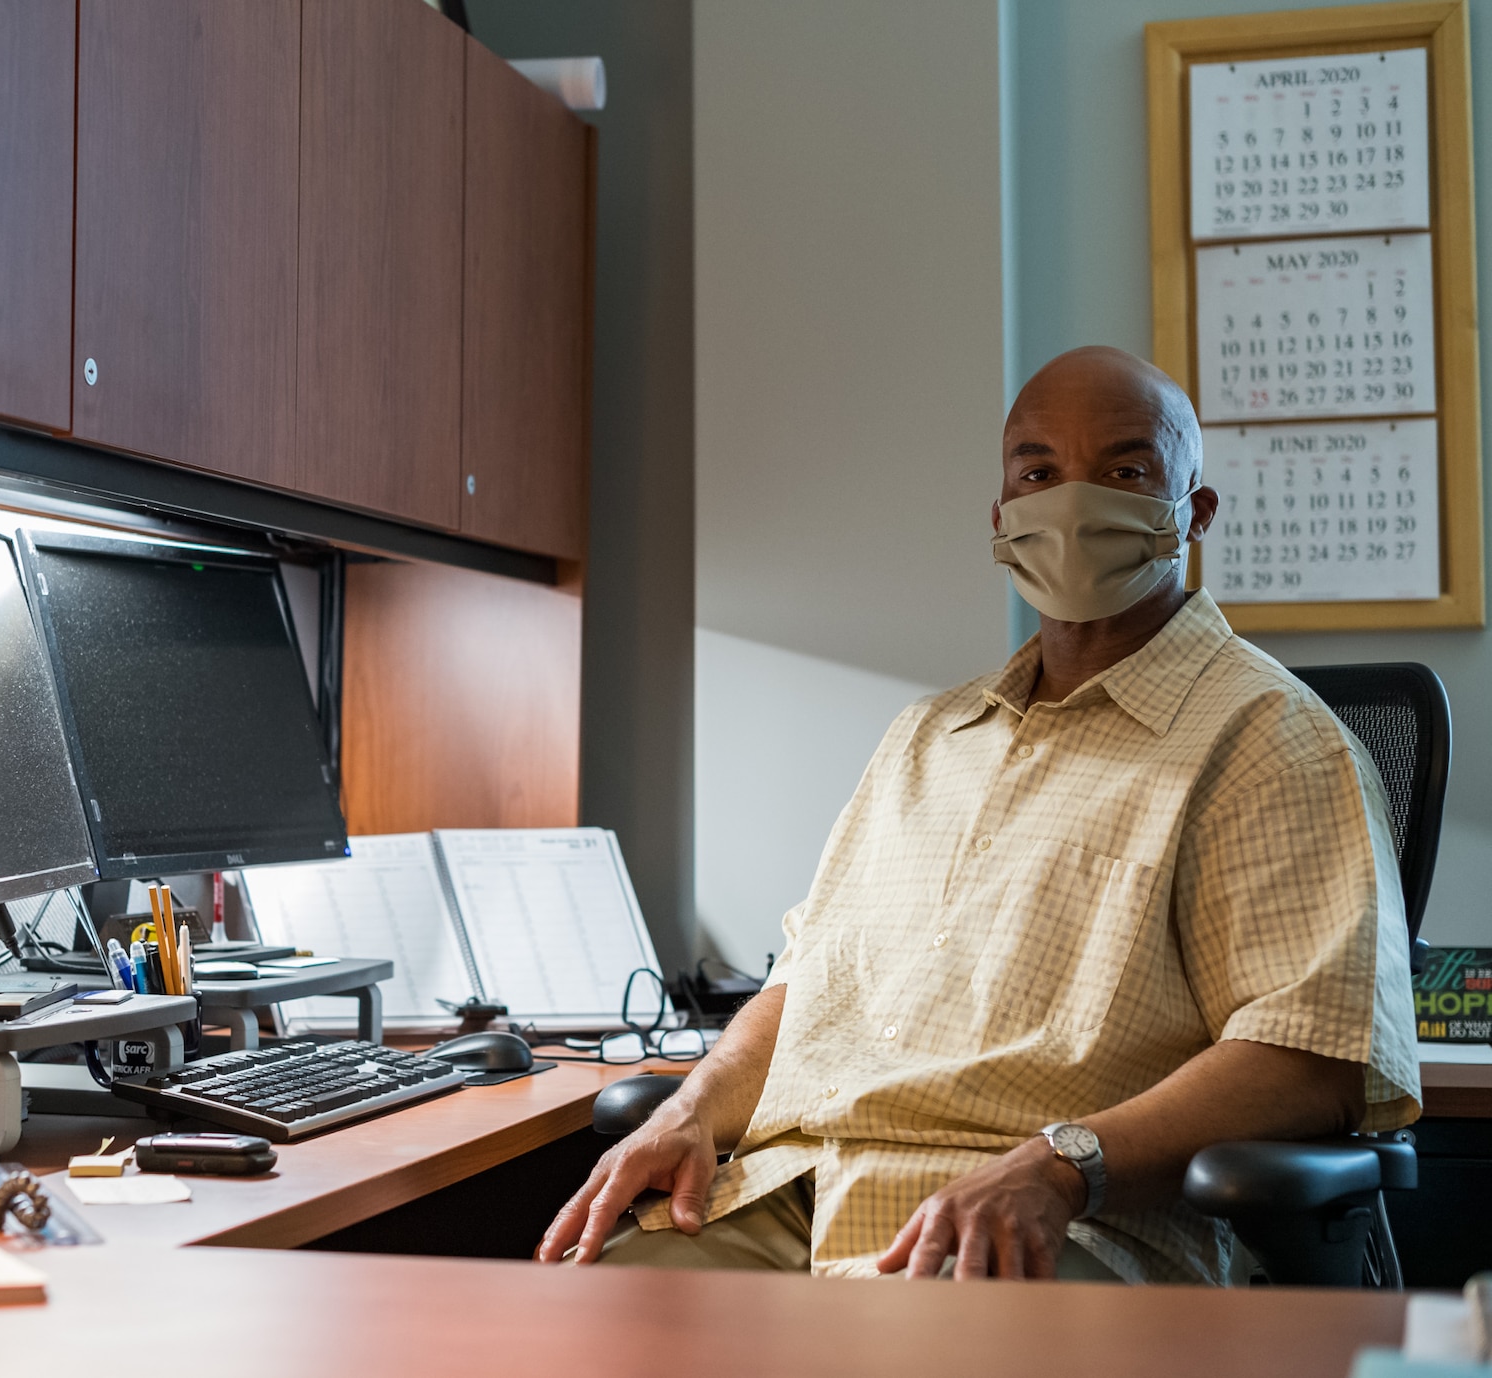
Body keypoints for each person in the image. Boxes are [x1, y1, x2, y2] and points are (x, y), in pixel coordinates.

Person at [538, 346, 1419, 1283]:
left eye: (1125, 469)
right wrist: (693, 1105)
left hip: (1050, 1224)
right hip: (795, 1194)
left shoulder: (1271, 742)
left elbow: (1308, 1061)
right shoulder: (925, 740)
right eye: (1038, 473)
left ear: (1193, 512)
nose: (1072, 504)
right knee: (577, 1316)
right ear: (1001, 520)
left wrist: (1060, 1166)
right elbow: (805, 988)